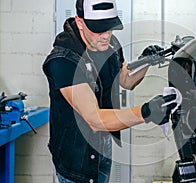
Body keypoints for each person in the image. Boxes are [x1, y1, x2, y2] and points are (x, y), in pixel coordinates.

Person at [42, 0, 178, 182]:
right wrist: (146, 111)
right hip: (76, 158)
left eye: (109, 28)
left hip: (102, 145)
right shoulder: (63, 61)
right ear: (80, 22)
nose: (106, 35)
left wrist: (145, 61)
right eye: (98, 29)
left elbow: (126, 80)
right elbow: (95, 120)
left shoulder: (110, 44)